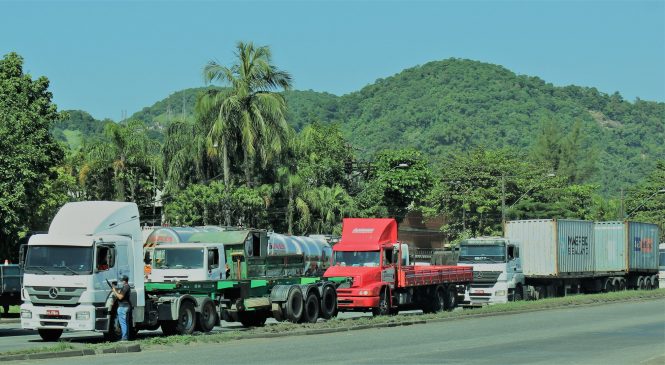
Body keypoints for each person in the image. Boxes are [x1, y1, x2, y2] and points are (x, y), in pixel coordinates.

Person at [112, 275, 131, 341]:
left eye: (121, 281)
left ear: (124, 281)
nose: (121, 282)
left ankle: (124, 338)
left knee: (123, 323)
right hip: (125, 306)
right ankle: (126, 337)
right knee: (125, 322)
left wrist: (114, 290)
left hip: (123, 307)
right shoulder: (126, 287)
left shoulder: (126, 287)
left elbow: (120, 297)